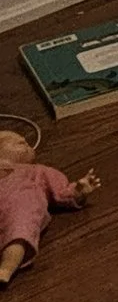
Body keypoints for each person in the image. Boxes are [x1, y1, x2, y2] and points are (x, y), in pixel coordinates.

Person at [0, 123, 98, 287]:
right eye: (19, 142)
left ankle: (6, 268)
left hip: (19, 202)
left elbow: (61, 192)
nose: (26, 143)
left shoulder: (37, 171)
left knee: (20, 228)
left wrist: (78, 190)